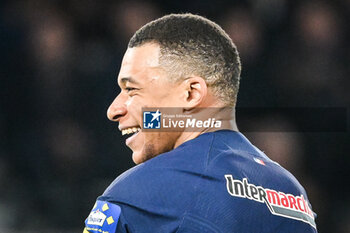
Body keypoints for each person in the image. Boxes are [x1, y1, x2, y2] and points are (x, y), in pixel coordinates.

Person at [83, 13, 317, 233]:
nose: (114, 110)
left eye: (132, 90)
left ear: (191, 94)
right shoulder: (291, 193)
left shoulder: (138, 193)